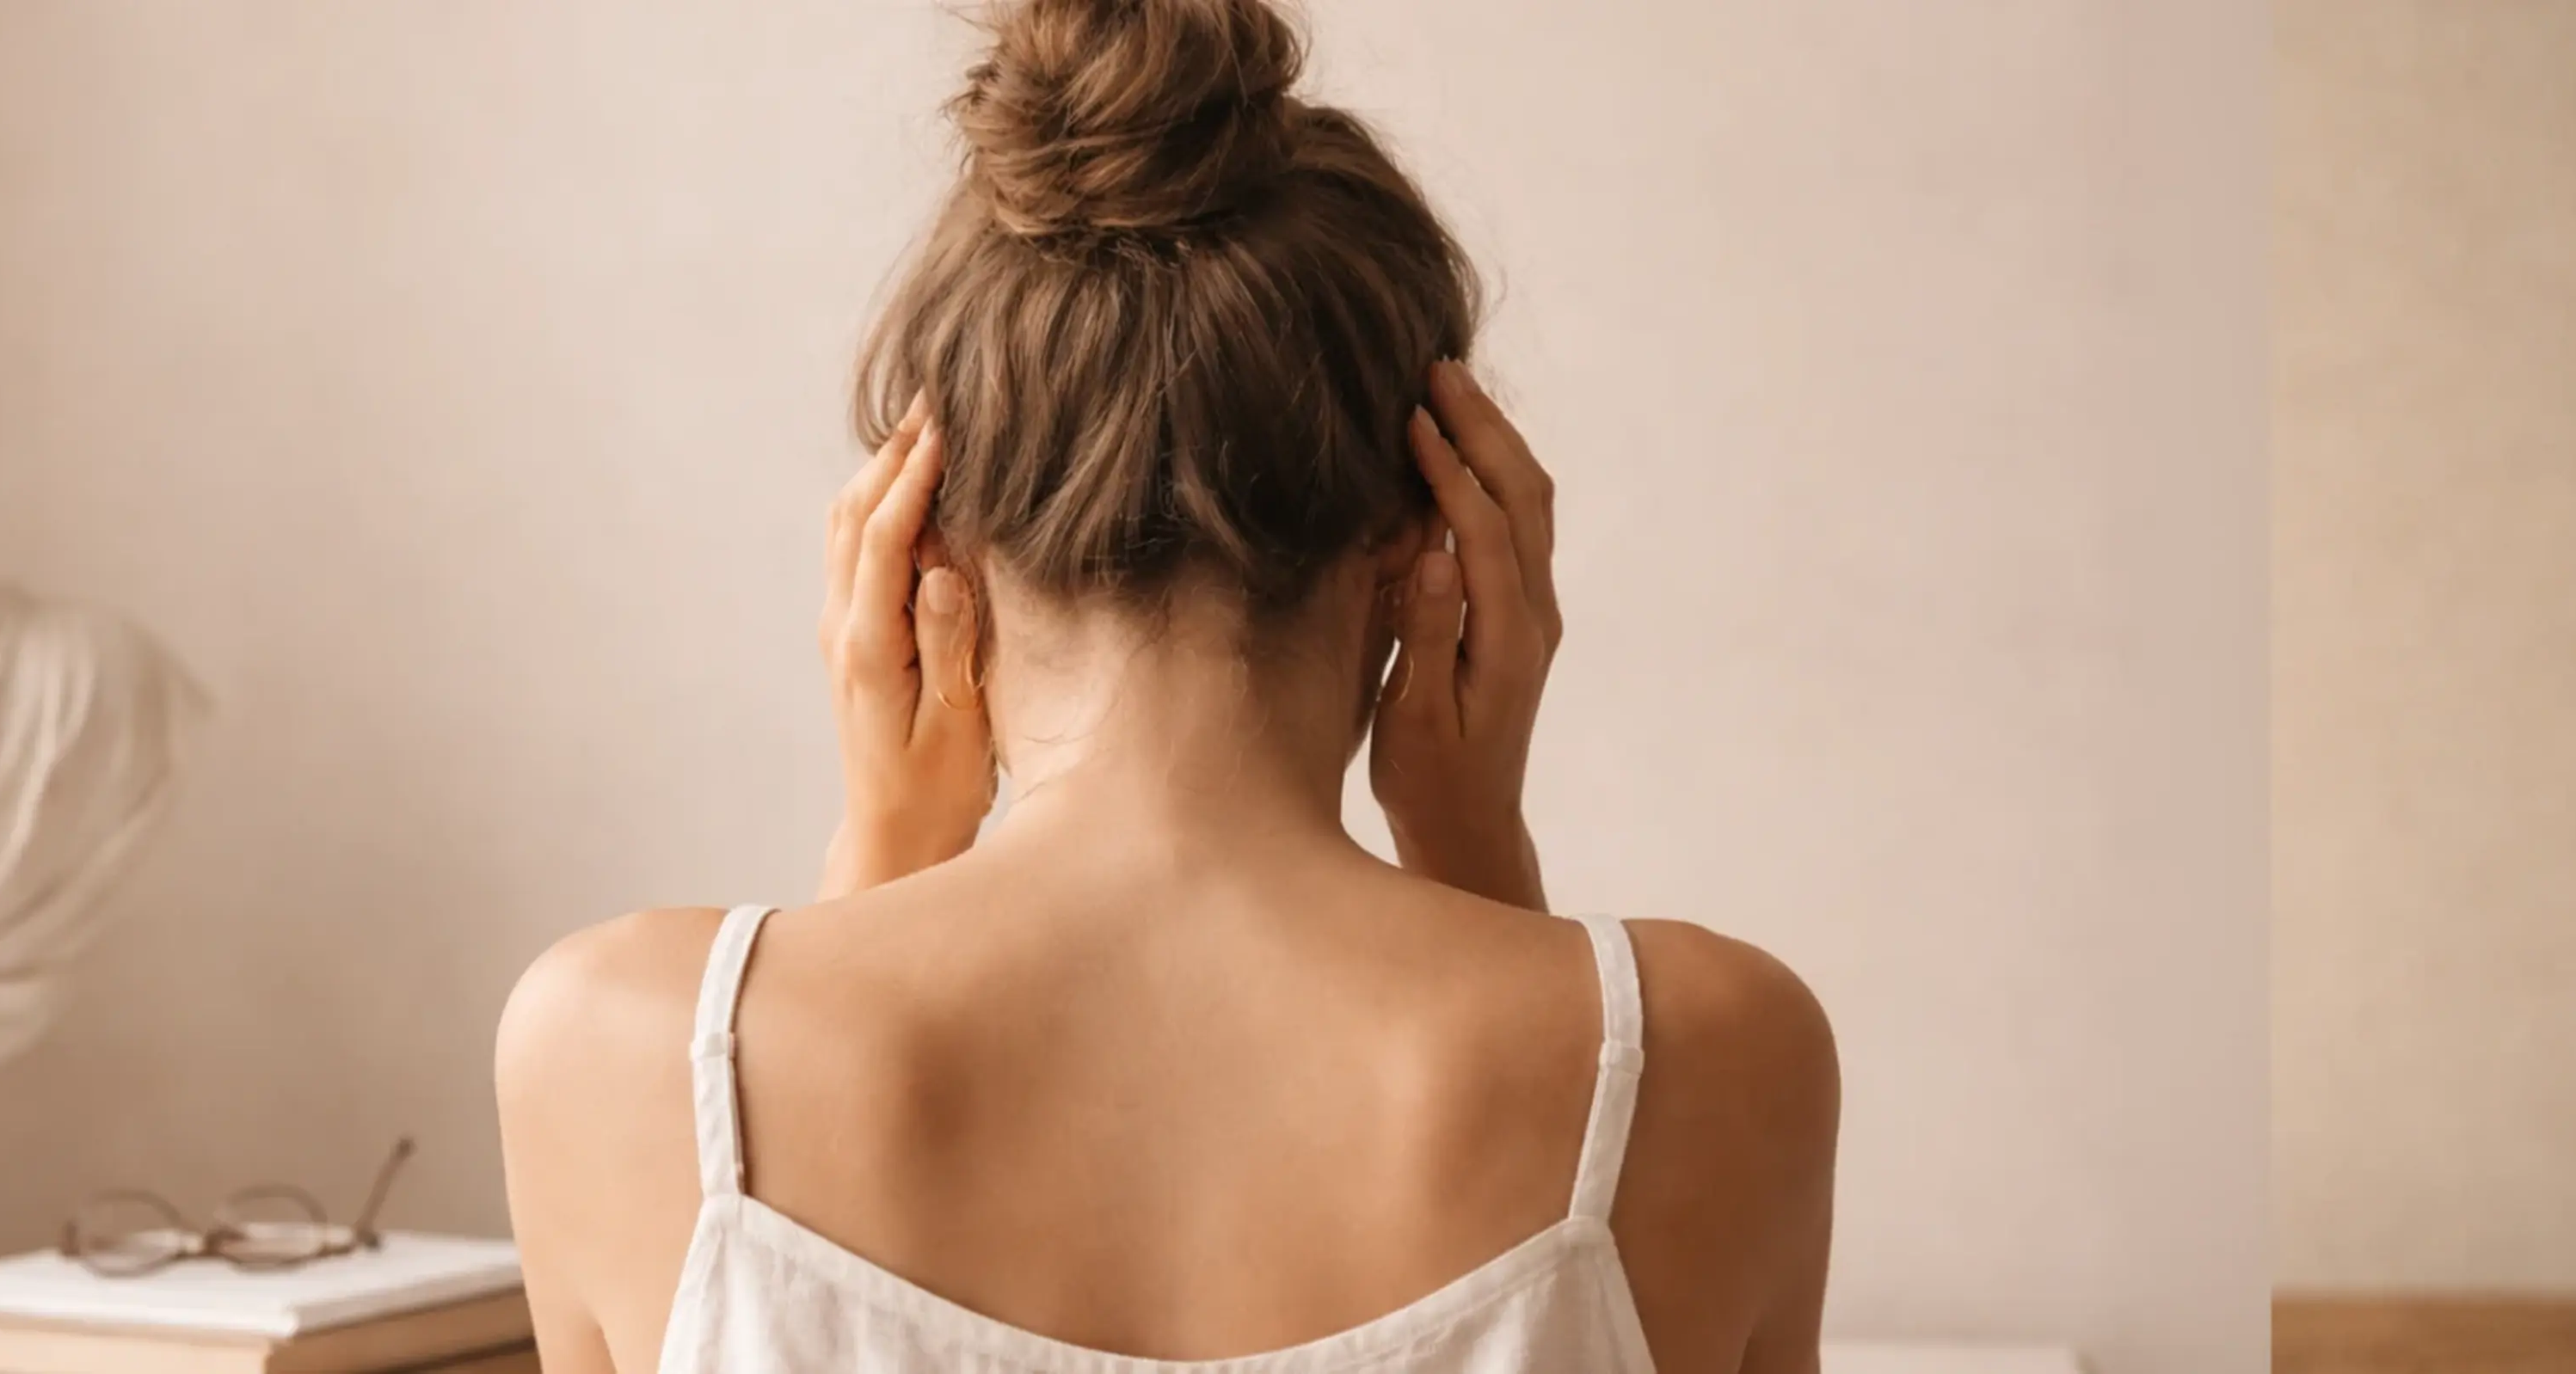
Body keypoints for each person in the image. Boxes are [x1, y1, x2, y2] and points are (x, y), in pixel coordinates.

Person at [495, 2, 1838, 1370]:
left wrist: (881, 860)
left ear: (923, 544)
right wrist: (1477, 856)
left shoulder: (615, 1046)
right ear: (1436, 539)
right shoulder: (1724, 1053)